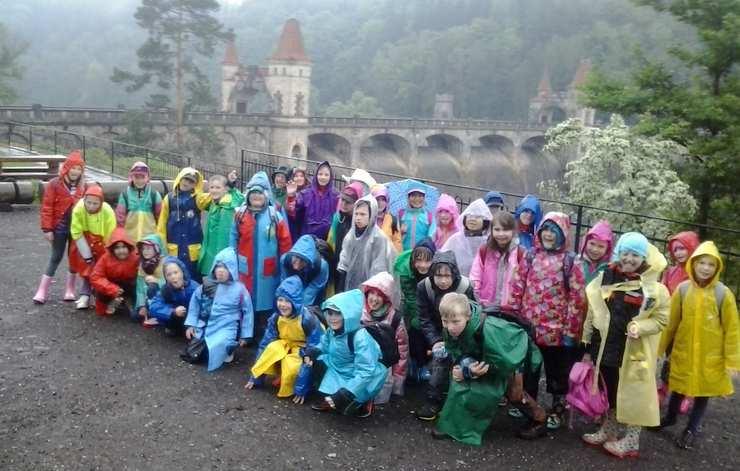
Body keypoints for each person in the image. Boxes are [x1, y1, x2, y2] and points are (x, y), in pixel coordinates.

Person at [581, 233, 669, 459]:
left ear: (643, 257)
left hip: (634, 353)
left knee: (634, 396)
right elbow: (594, 309)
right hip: (608, 348)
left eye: (635, 255)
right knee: (609, 391)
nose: (629, 259)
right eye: (625, 253)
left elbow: (661, 319)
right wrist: (588, 338)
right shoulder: (607, 277)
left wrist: (641, 327)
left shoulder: (654, 288)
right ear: (618, 253)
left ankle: (631, 441)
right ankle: (609, 430)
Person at [655, 241, 739, 449]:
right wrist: (659, 350)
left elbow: (732, 330)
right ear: (694, 263)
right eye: (702, 262)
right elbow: (671, 323)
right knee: (679, 386)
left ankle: (692, 428)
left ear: (717, 267)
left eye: (711, 264)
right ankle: (670, 417)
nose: (705, 268)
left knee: (703, 393)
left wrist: (732, 362)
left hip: (711, 356)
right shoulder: (683, 290)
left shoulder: (723, 294)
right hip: (684, 351)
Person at [509, 211, 586, 433]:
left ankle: (557, 408)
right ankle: (528, 404)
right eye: (545, 229)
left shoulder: (571, 261)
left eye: (554, 230)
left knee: (556, 372)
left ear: (563, 234)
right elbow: (517, 287)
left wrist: (571, 331)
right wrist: (514, 317)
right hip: (529, 328)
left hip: (557, 332)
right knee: (529, 370)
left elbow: (577, 299)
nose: (548, 234)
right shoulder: (531, 256)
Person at [432, 293, 542, 446]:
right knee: (460, 382)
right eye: (445, 321)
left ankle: (540, 419)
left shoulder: (489, 328)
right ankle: (453, 425)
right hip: (486, 357)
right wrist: (465, 366)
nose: (450, 327)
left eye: (455, 322)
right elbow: (455, 349)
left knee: (514, 395)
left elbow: (507, 358)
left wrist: (471, 371)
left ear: (468, 316)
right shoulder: (452, 326)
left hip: (513, 357)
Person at [303, 289, 388, 418]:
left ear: (348, 315)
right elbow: (324, 345)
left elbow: (366, 371)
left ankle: (364, 401)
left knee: (347, 410)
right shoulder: (332, 330)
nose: (332, 318)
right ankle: (331, 396)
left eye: (338, 314)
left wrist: (347, 393)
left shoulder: (360, 337)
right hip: (341, 368)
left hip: (360, 376)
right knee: (317, 360)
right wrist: (312, 352)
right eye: (329, 313)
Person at [231, 171, 292, 338]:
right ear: (248, 195)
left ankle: (265, 334)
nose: (256, 196)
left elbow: (285, 242)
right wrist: (232, 261)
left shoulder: (275, 215)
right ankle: (246, 333)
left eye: (260, 193)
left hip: (268, 269)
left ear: (266, 195)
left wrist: (284, 264)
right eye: (253, 193)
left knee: (266, 303)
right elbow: (233, 238)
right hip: (246, 268)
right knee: (246, 301)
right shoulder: (240, 214)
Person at [415, 250, 475, 421]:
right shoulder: (424, 287)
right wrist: (435, 341)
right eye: (438, 275)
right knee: (439, 363)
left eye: (447, 275)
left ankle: (464, 404)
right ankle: (433, 402)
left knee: (465, 365)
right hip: (438, 333)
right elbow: (423, 318)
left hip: (462, 332)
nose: (442, 280)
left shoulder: (465, 286)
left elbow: (474, 314)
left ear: (454, 274)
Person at [246, 275, 324, 402]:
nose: (283, 305)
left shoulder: (308, 320)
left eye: (288, 301)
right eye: (280, 300)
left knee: (292, 364)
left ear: (296, 302)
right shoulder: (276, 317)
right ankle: (283, 375)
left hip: (305, 351)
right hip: (288, 345)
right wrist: (256, 376)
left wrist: (302, 388)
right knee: (272, 348)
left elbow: (313, 351)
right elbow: (265, 344)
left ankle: (298, 383)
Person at [185, 247, 254, 371]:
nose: (220, 271)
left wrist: (245, 335)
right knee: (195, 353)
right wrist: (191, 324)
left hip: (228, 327)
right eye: (218, 267)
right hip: (206, 324)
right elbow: (195, 302)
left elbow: (248, 312)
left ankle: (229, 348)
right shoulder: (207, 285)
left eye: (225, 268)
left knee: (220, 345)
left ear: (232, 269)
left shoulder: (239, 289)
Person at [34, 150, 87, 304]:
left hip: (76, 229)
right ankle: (42, 290)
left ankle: (70, 289)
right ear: (66, 168)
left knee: (73, 258)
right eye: (73, 168)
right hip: (59, 227)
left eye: (79, 169)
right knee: (56, 257)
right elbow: (47, 207)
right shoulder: (54, 184)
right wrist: (47, 229)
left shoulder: (83, 186)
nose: (76, 171)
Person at [360, 272, 409, 404]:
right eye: (372, 293)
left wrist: (397, 383)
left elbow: (402, 352)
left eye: (380, 295)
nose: (374, 299)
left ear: (386, 298)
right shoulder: (358, 312)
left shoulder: (395, 319)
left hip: (383, 369)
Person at [156, 167, 210, 281]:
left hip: (192, 250)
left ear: (195, 184)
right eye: (185, 179)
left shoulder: (198, 198)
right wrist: (161, 244)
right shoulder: (169, 198)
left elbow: (211, 199)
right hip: (174, 249)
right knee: (173, 279)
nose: (187, 183)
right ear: (180, 178)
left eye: (191, 181)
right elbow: (162, 224)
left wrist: (228, 184)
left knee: (193, 279)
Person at [393, 237, 436, 377]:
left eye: (427, 261)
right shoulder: (406, 270)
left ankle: (425, 363)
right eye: (419, 260)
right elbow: (411, 298)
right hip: (412, 306)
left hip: (431, 304)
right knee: (415, 329)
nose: (423, 265)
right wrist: (420, 319)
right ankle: (416, 363)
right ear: (413, 260)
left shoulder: (438, 269)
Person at [69, 185, 117, 310]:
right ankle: (85, 294)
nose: (91, 206)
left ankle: (100, 295)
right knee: (86, 267)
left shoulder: (107, 211)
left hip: (102, 241)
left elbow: (110, 233)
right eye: (88, 203)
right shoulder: (78, 209)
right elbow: (76, 231)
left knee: (101, 269)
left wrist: (108, 253)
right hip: (84, 238)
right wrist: (87, 255)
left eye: (95, 204)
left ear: (101, 202)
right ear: (84, 200)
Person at [336, 194, 396, 292]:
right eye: (356, 214)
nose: (358, 218)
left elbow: (379, 269)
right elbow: (344, 263)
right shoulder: (350, 236)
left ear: (371, 215)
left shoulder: (378, 238)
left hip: (372, 288)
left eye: (363, 214)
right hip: (350, 285)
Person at [469, 211, 522, 310]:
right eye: (497, 229)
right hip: (485, 307)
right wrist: (477, 301)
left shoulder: (520, 254)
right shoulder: (484, 251)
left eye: (505, 230)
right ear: (492, 230)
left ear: (513, 231)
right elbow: (475, 278)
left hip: (510, 309)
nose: (501, 234)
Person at [198, 172, 244, 278]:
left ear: (225, 189)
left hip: (223, 248)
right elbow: (200, 202)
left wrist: (231, 185)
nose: (214, 190)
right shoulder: (212, 203)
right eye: (212, 187)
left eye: (218, 187)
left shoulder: (229, 203)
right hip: (209, 249)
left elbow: (239, 198)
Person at [89, 228, 140, 317]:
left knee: (135, 315)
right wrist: (112, 289)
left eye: (124, 247)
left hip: (129, 286)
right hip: (111, 286)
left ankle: (129, 300)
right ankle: (113, 301)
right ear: (112, 249)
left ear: (129, 247)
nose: (121, 251)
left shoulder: (136, 257)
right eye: (117, 248)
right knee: (102, 312)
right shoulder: (105, 258)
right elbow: (95, 277)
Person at [286, 161, 339, 240]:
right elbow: (294, 214)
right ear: (316, 175)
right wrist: (291, 197)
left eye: (326, 175)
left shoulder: (336, 196)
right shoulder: (305, 194)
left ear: (330, 177)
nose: (323, 177)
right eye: (320, 174)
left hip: (327, 241)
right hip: (307, 238)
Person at [149, 256, 200, 336]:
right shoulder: (165, 289)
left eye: (176, 272)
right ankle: (172, 328)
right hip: (175, 318)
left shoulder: (195, 287)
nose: (173, 277)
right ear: (165, 277)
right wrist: (173, 311)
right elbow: (153, 306)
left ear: (183, 272)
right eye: (169, 275)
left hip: (192, 319)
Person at [441, 198, 492, 276]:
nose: (472, 219)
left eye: (477, 217)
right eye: (469, 216)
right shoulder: (455, 239)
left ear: (485, 221)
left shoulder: (489, 242)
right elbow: (442, 260)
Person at [114, 161, 162, 244]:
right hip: (130, 240)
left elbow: (160, 217)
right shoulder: (125, 195)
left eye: (142, 177)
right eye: (136, 177)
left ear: (147, 178)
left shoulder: (154, 194)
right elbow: (120, 219)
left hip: (149, 241)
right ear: (131, 177)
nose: (139, 180)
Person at [280, 235, 329, 307]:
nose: (297, 266)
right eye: (296, 258)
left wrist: (298, 310)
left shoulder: (322, 266)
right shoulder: (285, 260)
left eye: (302, 261)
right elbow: (285, 284)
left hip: (313, 290)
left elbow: (310, 293)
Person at [326, 182, 364, 269]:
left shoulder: (359, 222)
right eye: (342, 200)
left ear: (356, 203)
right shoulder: (338, 217)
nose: (343, 204)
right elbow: (331, 240)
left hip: (350, 266)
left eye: (348, 202)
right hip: (335, 262)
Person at [133, 234, 166, 325]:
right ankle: (148, 311)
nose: (145, 251)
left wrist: (157, 281)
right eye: (143, 249)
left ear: (156, 248)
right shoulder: (142, 264)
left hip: (162, 295)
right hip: (146, 297)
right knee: (135, 316)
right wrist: (141, 305)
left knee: (152, 286)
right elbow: (140, 288)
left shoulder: (165, 263)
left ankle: (157, 312)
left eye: (148, 248)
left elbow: (171, 283)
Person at [399, 183, 436, 251]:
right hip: (402, 254)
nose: (417, 199)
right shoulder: (401, 214)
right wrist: (400, 232)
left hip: (420, 256)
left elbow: (431, 238)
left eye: (420, 196)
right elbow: (394, 236)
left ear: (424, 198)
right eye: (413, 195)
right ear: (408, 197)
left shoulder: (429, 216)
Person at [579, 220, 614, 285]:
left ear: (607, 249)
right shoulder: (577, 262)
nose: (595, 249)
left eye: (601, 246)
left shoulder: (609, 268)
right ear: (585, 242)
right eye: (592, 244)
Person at [371, 185, 402, 253]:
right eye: (377, 199)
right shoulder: (367, 217)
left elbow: (397, 243)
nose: (380, 203)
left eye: (383, 200)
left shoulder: (393, 220)